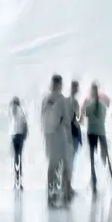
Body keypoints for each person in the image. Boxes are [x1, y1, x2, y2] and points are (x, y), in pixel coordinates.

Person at [82, 82, 112, 195]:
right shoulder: (102, 101)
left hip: (92, 132)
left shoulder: (88, 102)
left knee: (92, 157)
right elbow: (111, 104)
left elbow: (83, 116)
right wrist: (109, 115)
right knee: (106, 156)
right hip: (101, 131)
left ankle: (94, 182)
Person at [42, 74, 71, 205]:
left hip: (49, 136)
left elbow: (42, 119)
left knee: (52, 164)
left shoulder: (45, 99)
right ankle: (65, 191)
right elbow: (66, 120)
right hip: (60, 136)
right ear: (59, 84)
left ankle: (50, 190)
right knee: (65, 163)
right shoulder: (62, 99)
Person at [9, 97, 27, 190]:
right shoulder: (22, 111)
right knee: (18, 157)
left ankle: (17, 179)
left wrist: (12, 104)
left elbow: (12, 113)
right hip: (20, 136)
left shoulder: (14, 109)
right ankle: (18, 179)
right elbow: (25, 124)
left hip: (15, 136)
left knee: (16, 158)